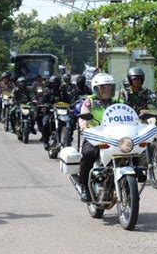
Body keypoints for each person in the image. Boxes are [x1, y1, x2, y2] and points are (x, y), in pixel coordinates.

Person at [78, 73, 120, 202]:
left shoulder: (119, 102)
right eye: (103, 87)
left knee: (132, 150)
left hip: (116, 137)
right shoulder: (89, 102)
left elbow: (128, 114)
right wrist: (85, 126)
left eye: (109, 87)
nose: (106, 90)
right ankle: (84, 186)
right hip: (95, 136)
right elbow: (83, 116)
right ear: (96, 89)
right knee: (89, 153)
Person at [40, 75, 70, 149]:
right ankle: (46, 141)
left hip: (62, 112)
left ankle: (68, 138)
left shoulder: (63, 91)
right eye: (54, 83)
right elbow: (42, 100)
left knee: (70, 121)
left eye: (57, 83)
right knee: (45, 123)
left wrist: (72, 104)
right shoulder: (47, 91)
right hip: (50, 112)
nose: (55, 85)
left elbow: (68, 100)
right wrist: (45, 104)